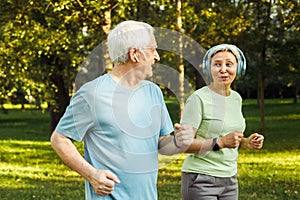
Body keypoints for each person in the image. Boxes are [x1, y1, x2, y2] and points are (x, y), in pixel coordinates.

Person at [50, 20, 194, 200]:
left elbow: (161, 143)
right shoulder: (92, 94)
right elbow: (59, 139)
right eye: (152, 50)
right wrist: (92, 174)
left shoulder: (153, 92)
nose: (157, 57)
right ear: (135, 54)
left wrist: (178, 141)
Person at [180, 44, 264, 200]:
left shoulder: (236, 98)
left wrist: (246, 142)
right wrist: (221, 142)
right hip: (200, 179)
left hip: (230, 179)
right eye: (217, 64)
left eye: (229, 64)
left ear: (238, 68)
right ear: (209, 68)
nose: (223, 69)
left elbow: (231, 138)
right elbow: (184, 144)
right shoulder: (198, 99)